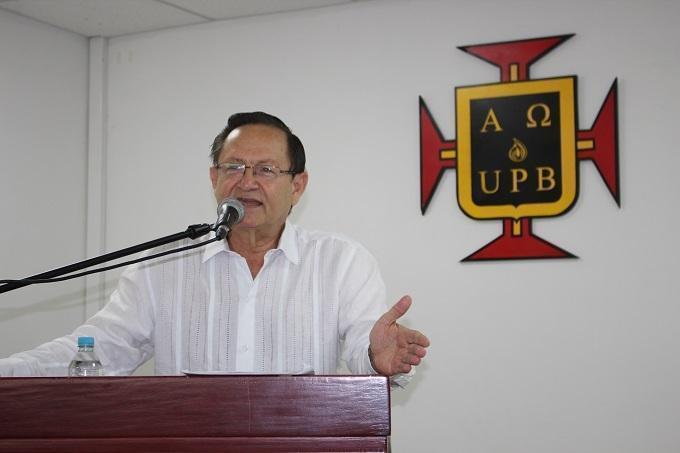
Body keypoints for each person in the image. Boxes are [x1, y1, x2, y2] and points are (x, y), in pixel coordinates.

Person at [0, 112, 430, 383]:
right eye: (234, 167)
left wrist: (375, 356)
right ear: (213, 179)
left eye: (265, 169)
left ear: (297, 185)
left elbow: (362, 345)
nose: (247, 181)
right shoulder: (163, 266)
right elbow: (97, 350)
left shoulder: (341, 262)